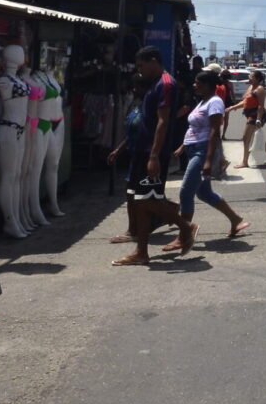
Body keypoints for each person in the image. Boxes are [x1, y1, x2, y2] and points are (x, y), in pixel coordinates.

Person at [107, 47, 193, 255]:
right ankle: (141, 251)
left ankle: (185, 226)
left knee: (148, 200)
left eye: (141, 65)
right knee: (141, 200)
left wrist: (154, 156)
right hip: (142, 150)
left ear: (153, 61)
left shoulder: (165, 84)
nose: (140, 70)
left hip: (152, 152)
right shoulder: (155, 84)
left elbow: (162, 122)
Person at [162, 71, 250, 254]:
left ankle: (184, 235)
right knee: (204, 193)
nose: (194, 86)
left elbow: (213, 132)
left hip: (203, 151)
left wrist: (209, 160)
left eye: (198, 83)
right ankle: (235, 219)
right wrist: (183, 147)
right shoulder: (202, 102)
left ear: (208, 85)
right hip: (194, 148)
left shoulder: (215, 102)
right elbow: (194, 129)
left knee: (186, 192)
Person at [225, 69, 266, 169]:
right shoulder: (250, 87)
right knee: (254, 136)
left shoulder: (260, 89)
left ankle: (245, 162)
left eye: (251, 76)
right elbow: (245, 102)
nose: (249, 77)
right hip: (250, 115)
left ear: (257, 79)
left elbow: (261, 106)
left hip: (257, 115)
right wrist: (232, 108)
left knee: (246, 138)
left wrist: (258, 119)